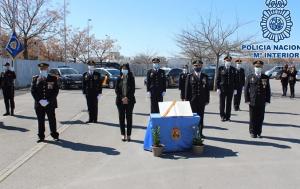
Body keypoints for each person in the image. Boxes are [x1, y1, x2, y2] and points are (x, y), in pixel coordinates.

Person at [31, 63, 59, 142]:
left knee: (52, 119)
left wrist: (48, 100)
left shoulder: (53, 78)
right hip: (39, 104)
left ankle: (54, 135)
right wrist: (39, 100)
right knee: (40, 120)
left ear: (47, 69)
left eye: (44, 69)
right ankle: (41, 136)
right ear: (39, 69)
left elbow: (56, 91)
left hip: (50, 103)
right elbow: (33, 91)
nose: (42, 70)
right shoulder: (35, 78)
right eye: (41, 69)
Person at [244, 60, 271, 138]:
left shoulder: (265, 77)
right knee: (252, 117)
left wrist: (267, 100)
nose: (258, 68)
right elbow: (246, 89)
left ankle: (259, 132)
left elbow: (268, 89)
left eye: (259, 67)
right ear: (254, 67)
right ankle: (252, 132)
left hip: (262, 101)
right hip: (252, 100)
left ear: (262, 67)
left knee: (260, 117)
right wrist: (247, 99)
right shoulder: (250, 77)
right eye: (257, 67)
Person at [185, 60, 210, 138]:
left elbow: (207, 89)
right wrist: (186, 100)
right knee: (193, 117)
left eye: (199, 66)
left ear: (201, 66)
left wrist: (207, 100)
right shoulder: (190, 76)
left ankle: (200, 133)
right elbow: (187, 89)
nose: (197, 67)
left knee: (201, 117)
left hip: (202, 100)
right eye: (196, 66)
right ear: (193, 66)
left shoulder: (205, 76)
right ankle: (192, 133)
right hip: (192, 101)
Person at [115, 64, 136, 142]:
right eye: (123, 69)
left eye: (125, 68)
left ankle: (129, 135)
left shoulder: (131, 78)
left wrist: (127, 98)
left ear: (128, 69)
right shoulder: (118, 78)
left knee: (129, 118)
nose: (124, 70)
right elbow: (116, 90)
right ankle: (123, 134)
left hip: (130, 101)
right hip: (120, 101)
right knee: (121, 118)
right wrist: (122, 98)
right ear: (121, 70)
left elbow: (133, 89)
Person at [216, 56, 237, 122]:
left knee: (229, 103)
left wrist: (235, 89)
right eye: (227, 61)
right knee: (222, 103)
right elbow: (218, 79)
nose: (228, 62)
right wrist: (218, 88)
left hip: (230, 89)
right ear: (224, 61)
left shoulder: (233, 69)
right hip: (222, 89)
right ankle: (222, 116)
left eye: (229, 61)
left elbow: (235, 80)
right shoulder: (221, 68)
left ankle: (228, 117)